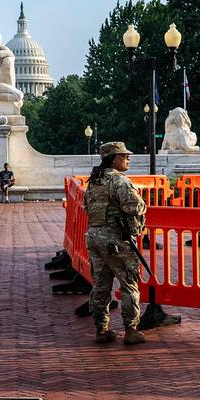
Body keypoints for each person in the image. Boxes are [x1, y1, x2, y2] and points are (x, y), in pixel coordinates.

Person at [84, 142, 147, 345]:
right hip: (116, 239)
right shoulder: (119, 180)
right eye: (123, 156)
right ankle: (131, 329)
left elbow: (87, 207)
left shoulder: (94, 180)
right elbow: (135, 206)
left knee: (101, 285)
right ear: (113, 160)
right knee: (129, 283)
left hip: (94, 236)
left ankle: (101, 329)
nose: (128, 158)